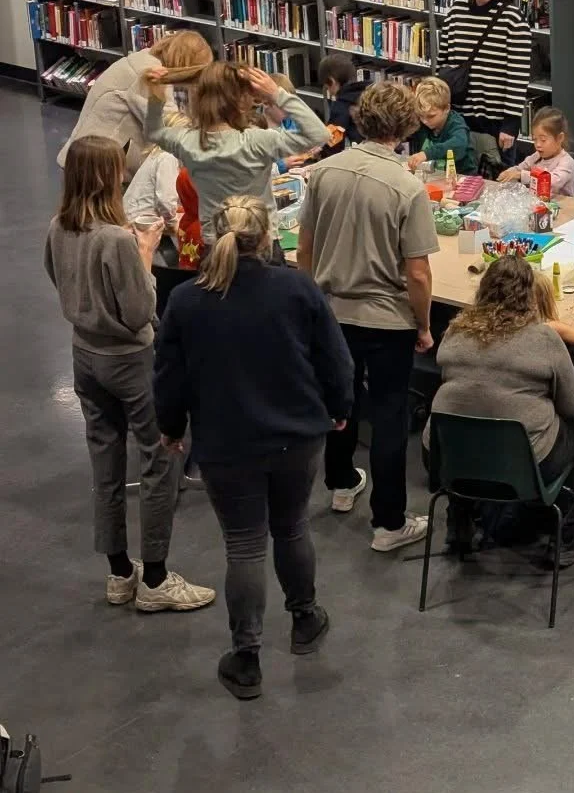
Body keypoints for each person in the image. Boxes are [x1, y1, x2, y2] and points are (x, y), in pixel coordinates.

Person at [154, 197, 353, 700]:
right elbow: (335, 358)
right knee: (292, 527)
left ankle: (247, 658)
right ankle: (305, 619)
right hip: (297, 434)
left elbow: (169, 376)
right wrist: (339, 406)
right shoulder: (297, 287)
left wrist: (171, 426)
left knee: (243, 544)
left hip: (227, 441)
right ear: (268, 238)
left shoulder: (187, 299)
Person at [42, 134, 213, 612]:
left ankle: (119, 572)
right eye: (117, 168)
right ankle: (156, 578)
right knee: (160, 457)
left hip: (84, 355)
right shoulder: (116, 239)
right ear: (103, 176)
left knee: (106, 462)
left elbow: (57, 277)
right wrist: (145, 255)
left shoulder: (58, 226)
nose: (123, 174)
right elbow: (140, 311)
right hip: (130, 360)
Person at [299, 82, 439, 553]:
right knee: (389, 415)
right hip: (386, 317)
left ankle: (340, 484)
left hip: (332, 312)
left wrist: (310, 306)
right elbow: (417, 272)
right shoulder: (406, 186)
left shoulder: (322, 173)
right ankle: (389, 522)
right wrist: (422, 326)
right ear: (406, 127)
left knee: (341, 404)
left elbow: (305, 249)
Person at [431, 256, 574, 550]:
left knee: (462, 423)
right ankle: (563, 535)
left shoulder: (454, 330)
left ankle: (459, 521)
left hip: (447, 460)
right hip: (521, 465)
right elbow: (570, 406)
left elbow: (453, 386)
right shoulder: (544, 338)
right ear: (530, 294)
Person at [143, 62, 330, 246]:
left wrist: (156, 97)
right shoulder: (258, 141)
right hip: (260, 242)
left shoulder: (187, 142)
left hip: (215, 244)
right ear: (240, 101)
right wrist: (277, 94)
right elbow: (319, 134)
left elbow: (154, 132)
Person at [58, 30, 212, 179]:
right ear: (186, 65)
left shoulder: (147, 58)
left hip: (87, 156)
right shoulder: (147, 73)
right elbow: (170, 126)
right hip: (97, 167)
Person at [437, 0, 533, 171]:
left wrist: (510, 124)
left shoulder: (512, 20)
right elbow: (443, 62)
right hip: (458, 119)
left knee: (497, 183)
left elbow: (517, 78)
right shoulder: (456, 11)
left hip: (496, 124)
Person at [498, 107, 574, 197]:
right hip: (538, 203)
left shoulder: (566, 162)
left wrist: (521, 175)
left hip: (564, 207)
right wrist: (509, 172)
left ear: (560, 138)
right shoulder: (537, 156)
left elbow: (553, 181)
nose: (538, 144)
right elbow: (520, 168)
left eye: (543, 140)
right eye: (535, 139)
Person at [405, 76, 478, 175]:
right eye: (421, 115)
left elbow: (458, 144)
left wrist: (427, 154)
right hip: (433, 175)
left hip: (462, 177)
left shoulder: (456, 123)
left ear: (447, 109)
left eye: (431, 116)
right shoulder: (422, 121)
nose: (425, 121)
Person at [320, 53, 366, 148]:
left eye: (327, 88)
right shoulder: (371, 93)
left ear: (331, 81)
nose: (330, 93)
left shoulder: (341, 106)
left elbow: (333, 141)